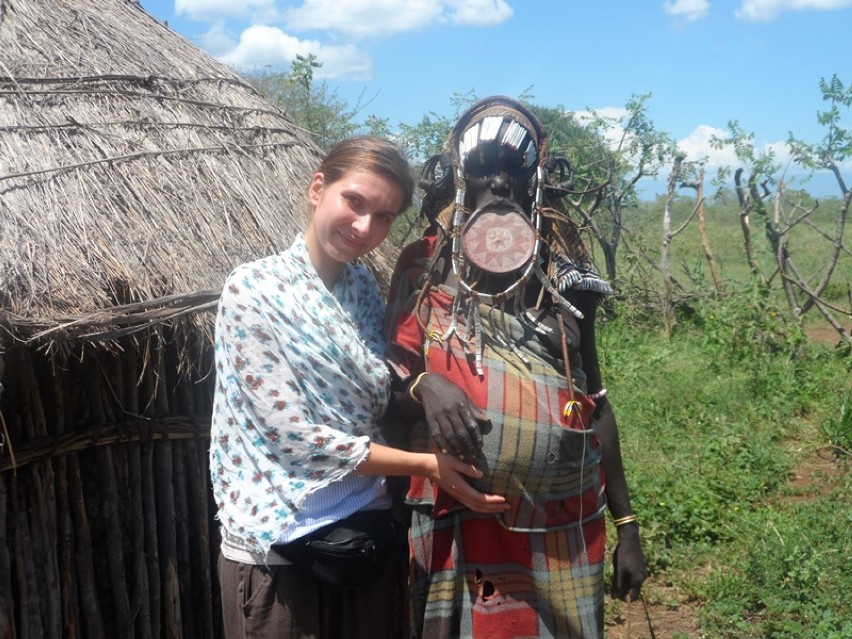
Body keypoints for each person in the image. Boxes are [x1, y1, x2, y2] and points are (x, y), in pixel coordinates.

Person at [210, 135, 508, 639]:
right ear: (317, 188)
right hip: (281, 544)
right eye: (355, 201)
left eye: (385, 216)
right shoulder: (254, 291)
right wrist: (427, 467)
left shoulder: (362, 290)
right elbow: (293, 438)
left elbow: (380, 383)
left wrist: (425, 385)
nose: (365, 226)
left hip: (362, 531)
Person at [385, 98, 647, 639]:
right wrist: (425, 384)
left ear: (535, 182)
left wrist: (629, 528)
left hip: (561, 529)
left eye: (513, 171)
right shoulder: (423, 268)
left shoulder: (567, 279)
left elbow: (595, 401)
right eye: (483, 168)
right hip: (453, 518)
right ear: (461, 177)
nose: (499, 183)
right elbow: (385, 386)